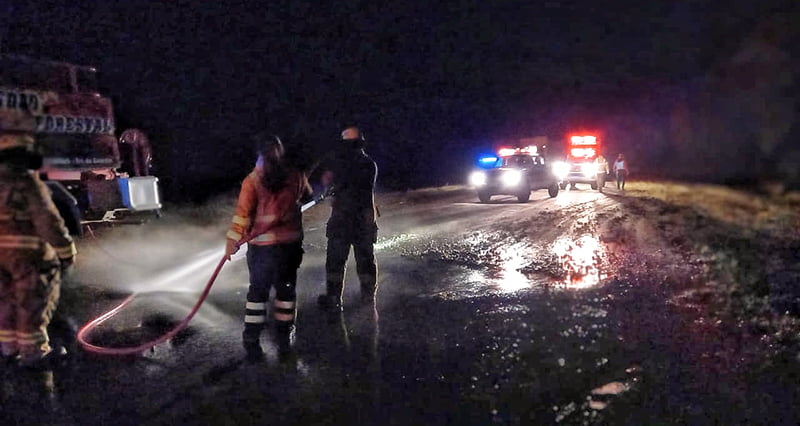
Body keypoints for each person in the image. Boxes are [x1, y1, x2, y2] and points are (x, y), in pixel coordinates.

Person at [224, 134, 311, 362]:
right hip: (288, 248)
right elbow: (307, 197)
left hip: (262, 250)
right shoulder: (296, 175)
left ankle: (251, 339)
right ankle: (284, 336)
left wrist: (231, 243)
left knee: (257, 294)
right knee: (285, 292)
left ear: (259, 155)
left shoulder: (252, 180)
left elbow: (241, 217)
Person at [0, 133, 76, 367]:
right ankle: (35, 354)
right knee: (32, 302)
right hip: (29, 256)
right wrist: (66, 251)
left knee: (5, 301)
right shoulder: (28, 182)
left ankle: (9, 349)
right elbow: (47, 221)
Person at [316, 125, 379, 311]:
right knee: (365, 261)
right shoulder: (369, 164)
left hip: (343, 221)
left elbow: (331, 184)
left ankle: (334, 298)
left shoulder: (340, 164)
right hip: (364, 221)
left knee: (336, 262)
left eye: (345, 139)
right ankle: (368, 299)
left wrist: (329, 184)